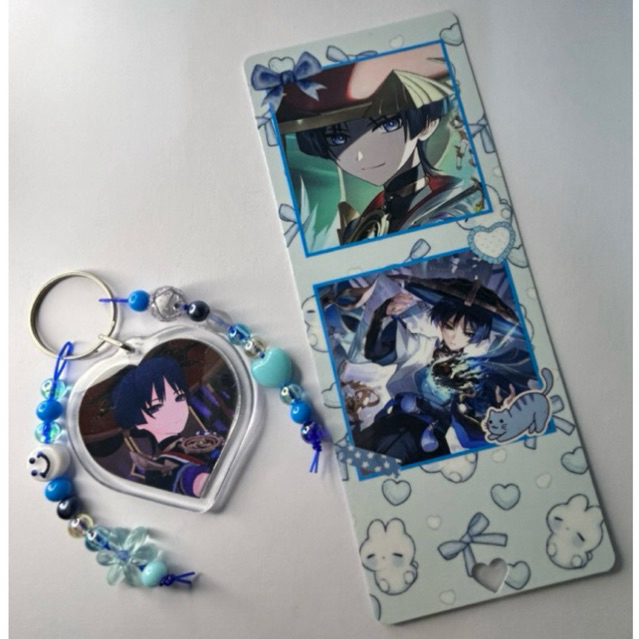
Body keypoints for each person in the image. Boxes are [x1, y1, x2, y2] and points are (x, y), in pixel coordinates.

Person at [276, 49, 484, 244]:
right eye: (338, 138)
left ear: (427, 124)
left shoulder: (454, 203)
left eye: (387, 125)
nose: (359, 155)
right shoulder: (370, 213)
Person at [111, 356, 222, 497]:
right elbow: (200, 485)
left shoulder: (198, 440)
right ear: (139, 422)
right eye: (156, 407)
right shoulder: (158, 470)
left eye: (179, 398)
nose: (174, 409)